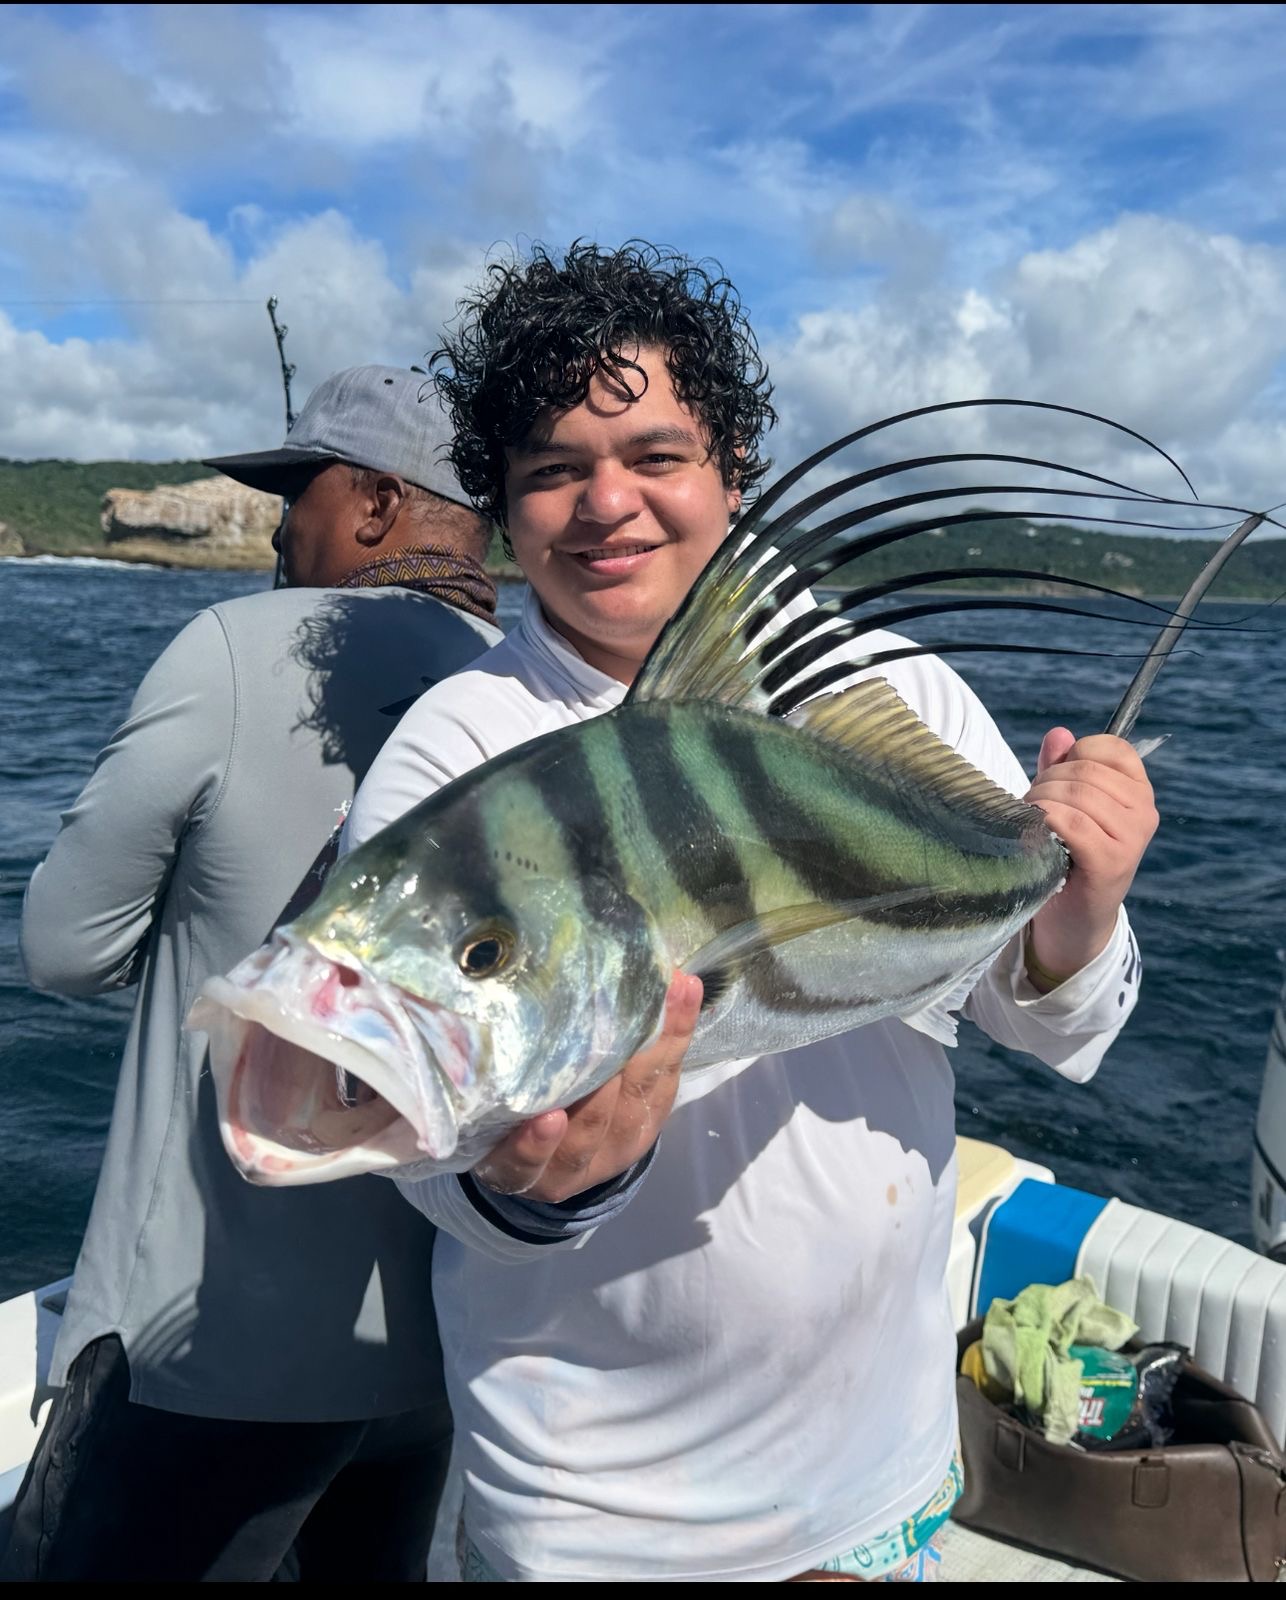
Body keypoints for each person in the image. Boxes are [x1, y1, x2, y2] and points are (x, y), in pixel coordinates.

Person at [343, 245, 1159, 1583]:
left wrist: (1079, 911)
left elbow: (1028, 1002)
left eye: (655, 455)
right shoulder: (461, 751)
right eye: (551, 469)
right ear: (501, 504)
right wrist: (537, 1182)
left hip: (881, 1469)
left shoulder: (886, 683)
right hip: (595, 1518)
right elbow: (418, 1140)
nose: (607, 502)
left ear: (729, 468)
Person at [5, 364, 696, 1583]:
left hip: (205, 1354)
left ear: (376, 504)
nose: (281, 528)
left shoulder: (232, 647)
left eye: (299, 494)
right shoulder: (532, 699)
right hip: (436, 1361)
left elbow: (66, 947)